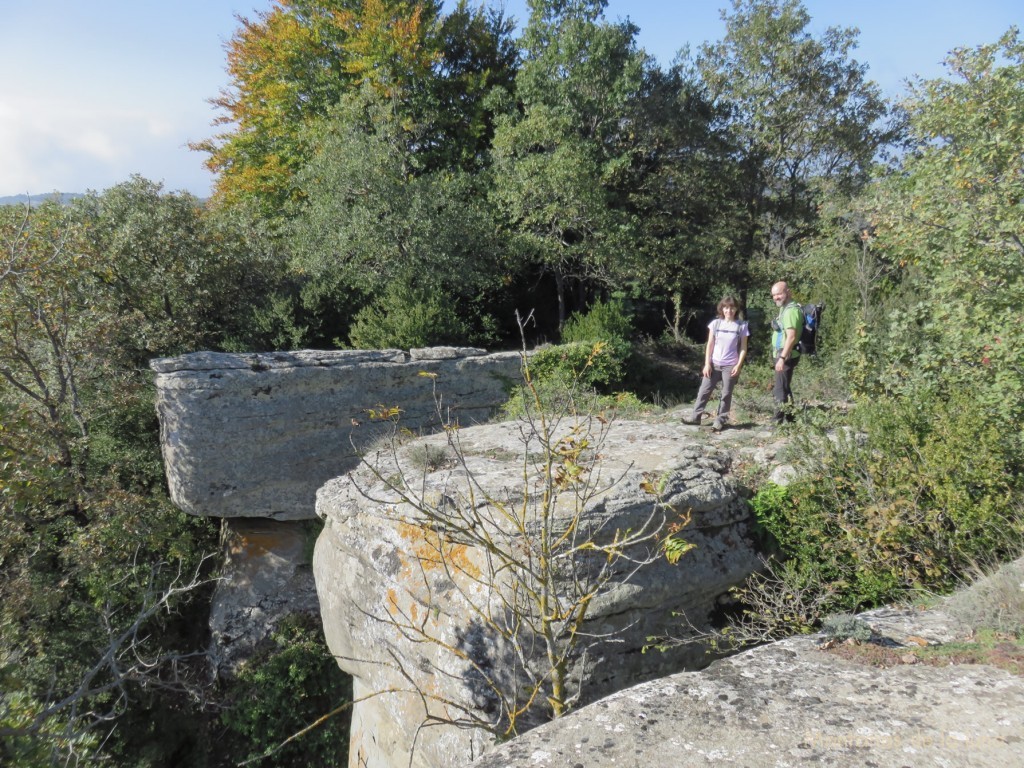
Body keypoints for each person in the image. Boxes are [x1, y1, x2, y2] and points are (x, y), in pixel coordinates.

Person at [682, 295, 749, 431]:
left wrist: (738, 365)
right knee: (704, 391)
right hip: (714, 364)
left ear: (736, 309)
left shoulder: (742, 326)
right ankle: (695, 417)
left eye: (731, 308)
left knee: (726, 393)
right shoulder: (715, 324)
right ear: (722, 309)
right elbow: (710, 345)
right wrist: (707, 364)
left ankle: (720, 420)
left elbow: (743, 348)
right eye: (726, 307)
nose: (728, 311)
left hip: (730, 365)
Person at [770, 281, 803, 425]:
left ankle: (777, 422)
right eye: (774, 295)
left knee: (779, 390)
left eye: (779, 294)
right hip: (784, 354)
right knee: (785, 387)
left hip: (786, 355)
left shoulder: (790, 311)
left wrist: (782, 358)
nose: (776, 297)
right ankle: (791, 420)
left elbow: (791, 336)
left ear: (788, 292)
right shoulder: (785, 308)